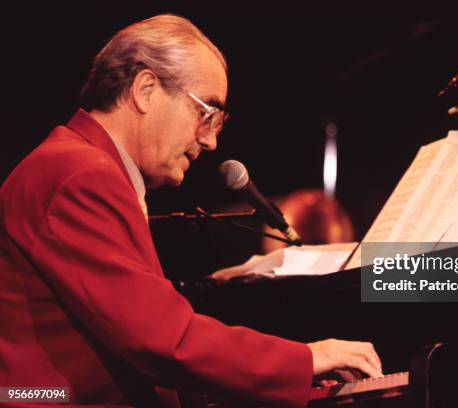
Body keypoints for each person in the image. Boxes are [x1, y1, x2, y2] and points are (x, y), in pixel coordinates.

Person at [0, 15, 381, 407]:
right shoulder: (80, 174)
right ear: (146, 89)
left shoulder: (80, 164)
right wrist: (307, 359)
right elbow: (163, 340)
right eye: (207, 112)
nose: (212, 139)